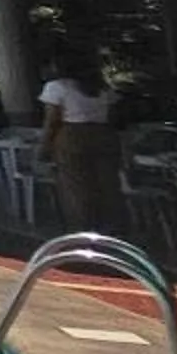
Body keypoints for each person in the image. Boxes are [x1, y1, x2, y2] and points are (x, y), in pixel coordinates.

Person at [38, 47, 119, 233]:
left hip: (72, 135)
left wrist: (44, 147)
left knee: (76, 187)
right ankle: (111, 227)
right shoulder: (102, 87)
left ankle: (81, 228)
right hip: (104, 134)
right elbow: (114, 115)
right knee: (106, 184)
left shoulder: (57, 87)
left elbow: (51, 121)